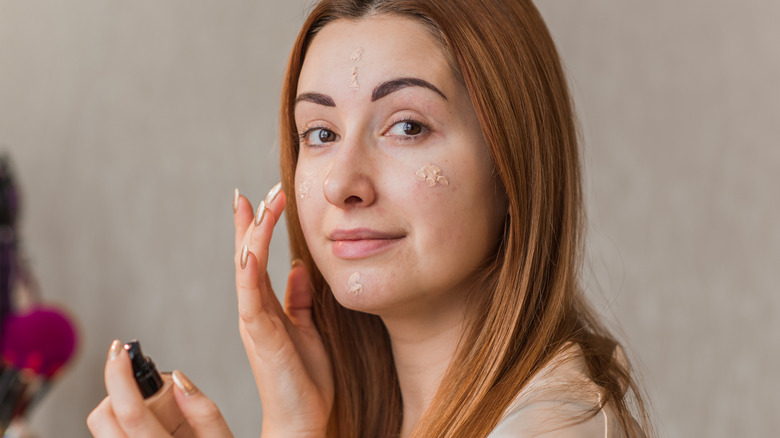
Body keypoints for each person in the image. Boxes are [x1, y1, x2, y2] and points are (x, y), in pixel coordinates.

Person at [88, 0, 652, 437]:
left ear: (513, 166)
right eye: (321, 133)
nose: (340, 183)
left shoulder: (552, 428)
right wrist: (292, 427)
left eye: (407, 126)